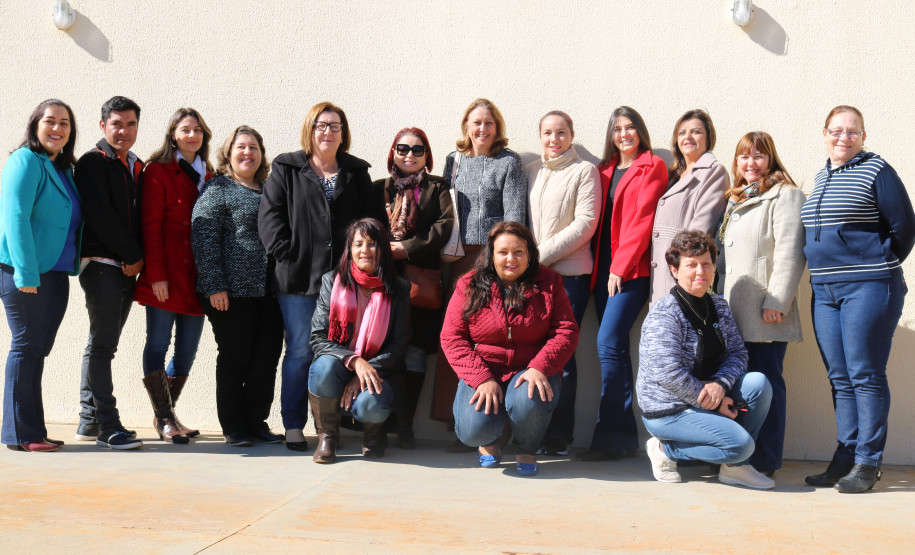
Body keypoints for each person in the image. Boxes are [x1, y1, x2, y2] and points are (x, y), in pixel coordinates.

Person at [258, 102, 386, 452]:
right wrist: (288, 254)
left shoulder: (356, 172)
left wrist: (360, 265)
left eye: (335, 126)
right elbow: (269, 218)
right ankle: (294, 424)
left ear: (343, 134)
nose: (327, 132)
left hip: (346, 283)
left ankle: (327, 426)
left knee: (337, 352)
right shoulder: (287, 167)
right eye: (321, 125)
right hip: (298, 281)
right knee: (300, 351)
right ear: (310, 130)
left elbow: (372, 223)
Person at [801, 106, 915, 493]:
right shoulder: (821, 176)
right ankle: (846, 455)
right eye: (836, 130)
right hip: (824, 290)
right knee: (840, 377)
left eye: (853, 132)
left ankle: (868, 462)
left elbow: (904, 227)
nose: (843, 137)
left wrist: (876, 266)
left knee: (865, 373)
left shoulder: (877, 170)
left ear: (863, 136)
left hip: (868, 286)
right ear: (824, 133)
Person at [638, 230, 775, 489]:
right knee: (741, 444)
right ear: (675, 270)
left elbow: (737, 353)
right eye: (691, 264)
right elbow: (667, 374)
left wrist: (721, 385)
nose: (700, 271)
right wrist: (712, 401)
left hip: (709, 396)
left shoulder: (719, 306)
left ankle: (734, 468)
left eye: (706, 263)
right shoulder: (664, 314)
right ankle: (665, 450)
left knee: (758, 383)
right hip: (669, 409)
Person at [441, 221, 579, 476]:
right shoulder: (468, 284)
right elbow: (452, 337)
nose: (511, 259)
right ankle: (488, 441)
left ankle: (526, 448)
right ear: (491, 255)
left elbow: (566, 332)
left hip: (529, 370)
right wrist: (481, 379)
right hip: (484, 369)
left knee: (529, 400)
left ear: (530, 254)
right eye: (503, 252)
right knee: (472, 430)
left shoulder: (550, 282)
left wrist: (540, 367)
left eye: (519, 251)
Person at [431, 98, 526, 452]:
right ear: (466, 127)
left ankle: (493, 428)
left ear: (496, 127)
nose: (482, 129)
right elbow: (442, 211)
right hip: (455, 260)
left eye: (488, 123)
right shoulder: (453, 162)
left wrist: (502, 261)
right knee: (456, 339)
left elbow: (514, 218)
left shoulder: (509, 162)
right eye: (476, 123)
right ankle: (461, 423)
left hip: (491, 261)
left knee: (491, 341)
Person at [578, 106, 667, 461]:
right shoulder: (603, 170)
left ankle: (608, 438)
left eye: (630, 127)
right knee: (614, 350)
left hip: (630, 273)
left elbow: (643, 220)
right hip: (600, 272)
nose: (624, 134)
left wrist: (621, 265)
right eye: (617, 129)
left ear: (640, 131)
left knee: (608, 343)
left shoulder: (652, 166)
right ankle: (625, 437)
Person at [716, 132, 805, 476]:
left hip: (763, 313)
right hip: (732, 311)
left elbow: (790, 251)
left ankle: (764, 459)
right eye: (743, 157)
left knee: (767, 383)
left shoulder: (786, 196)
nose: (750, 164)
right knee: (741, 386)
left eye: (758, 156)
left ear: (771, 159)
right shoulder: (736, 199)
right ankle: (738, 456)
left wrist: (777, 301)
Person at [192, 126, 284, 447]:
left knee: (266, 357)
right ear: (229, 153)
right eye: (241, 147)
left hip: (268, 293)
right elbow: (203, 239)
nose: (248, 153)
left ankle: (256, 422)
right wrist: (215, 284)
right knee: (236, 356)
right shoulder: (218, 188)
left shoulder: (271, 190)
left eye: (254, 147)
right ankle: (234, 426)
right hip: (229, 294)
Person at [0, 99, 81, 452]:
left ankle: (33, 430)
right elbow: (15, 217)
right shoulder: (24, 161)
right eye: (50, 121)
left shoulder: (61, 167)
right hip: (28, 271)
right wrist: (26, 272)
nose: (57, 129)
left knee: (37, 350)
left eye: (64, 123)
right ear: (35, 124)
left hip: (55, 272)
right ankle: (19, 433)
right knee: (26, 348)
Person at [134, 107, 213, 442]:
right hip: (166, 272)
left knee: (187, 352)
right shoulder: (158, 170)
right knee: (158, 343)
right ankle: (166, 419)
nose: (192, 135)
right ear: (173, 135)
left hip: (196, 276)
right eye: (185, 130)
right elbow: (149, 227)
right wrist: (157, 276)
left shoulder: (210, 174)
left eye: (197, 130)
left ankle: (165, 415)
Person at [525, 110, 600, 456]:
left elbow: (585, 223)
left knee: (562, 358)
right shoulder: (532, 172)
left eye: (561, 133)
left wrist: (537, 258)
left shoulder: (584, 171)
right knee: (536, 356)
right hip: (533, 277)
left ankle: (559, 435)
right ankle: (533, 430)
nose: (554, 140)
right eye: (547, 133)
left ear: (572, 134)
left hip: (568, 277)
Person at [373, 127, 453, 449]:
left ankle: (405, 424)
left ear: (427, 155)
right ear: (392, 152)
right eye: (403, 148)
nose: (409, 155)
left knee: (416, 351)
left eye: (417, 150)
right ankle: (380, 421)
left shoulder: (437, 188)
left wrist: (406, 247)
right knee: (380, 349)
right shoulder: (378, 189)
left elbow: (444, 226)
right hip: (381, 281)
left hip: (421, 281)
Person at [73, 96, 145, 449]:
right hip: (102, 266)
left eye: (131, 124)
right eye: (117, 124)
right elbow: (99, 214)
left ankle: (88, 418)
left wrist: (137, 260)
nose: (124, 131)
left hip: (127, 269)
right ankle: (107, 426)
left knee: (102, 345)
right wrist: (132, 254)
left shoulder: (134, 164)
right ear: (103, 125)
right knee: (103, 347)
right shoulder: (92, 162)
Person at [308, 218, 411, 463]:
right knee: (322, 367)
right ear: (350, 250)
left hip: (379, 371)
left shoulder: (398, 289)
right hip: (339, 367)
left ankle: (374, 435)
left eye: (372, 244)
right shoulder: (332, 282)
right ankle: (328, 436)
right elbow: (318, 337)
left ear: (383, 249)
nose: (365, 250)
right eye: (358, 244)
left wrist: (365, 371)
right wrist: (355, 362)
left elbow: (400, 343)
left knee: (370, 404)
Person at [649, 109, 729, 305]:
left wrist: (678, 264)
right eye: (682, 132)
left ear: (708, 138)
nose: (688, 137)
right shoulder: (675, 175)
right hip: (659, 273)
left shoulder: (714, 172)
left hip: (682, 270)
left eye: (696, 131)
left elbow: (700, 228)